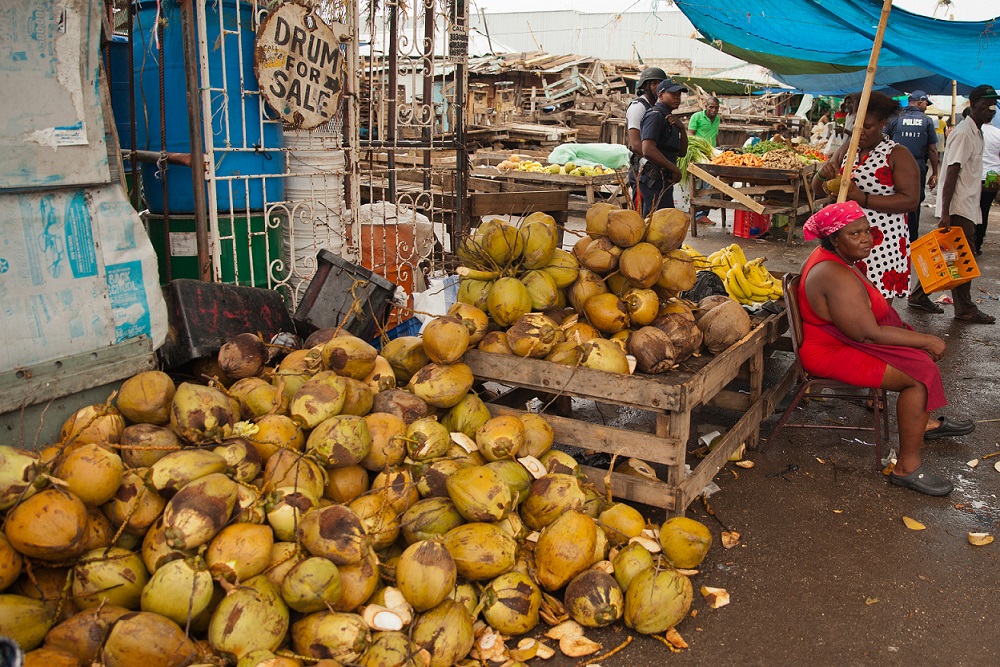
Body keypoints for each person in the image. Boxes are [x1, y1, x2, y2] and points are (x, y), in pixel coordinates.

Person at [798, 201, 975, 496]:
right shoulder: (834, 274)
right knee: (917, 378)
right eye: (855, 234)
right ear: (834, 239)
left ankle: (922, 423)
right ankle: (907, 467)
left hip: (842, 340)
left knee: (917, 360)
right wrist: (927, 340)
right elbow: (868, 334)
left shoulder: (837, 259)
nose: (866, 238)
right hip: (829, 352)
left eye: (867, 230)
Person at [812, 91, 920, 302]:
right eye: (856, 128)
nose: (859, 133)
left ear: (882, 123)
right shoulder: (847, 150)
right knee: (844, 299)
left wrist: (863, 199)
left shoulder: (897, 154)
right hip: (844, 240)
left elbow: (911, 200)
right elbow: (818, 189)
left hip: (881, 242)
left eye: (867, 127)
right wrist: (821, 175)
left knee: (875, 303)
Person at [908, 85, 998, 323]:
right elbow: (952, 172)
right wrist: (946, 212)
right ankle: (965, 308)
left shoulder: (977, 132)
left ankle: (918, 296)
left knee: (954, 257)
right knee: (961, 258)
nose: (990, 111)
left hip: (968, 204)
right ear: (973, 105)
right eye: (985, 107)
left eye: (993, 107)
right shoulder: (964, 133)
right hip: (958, 207)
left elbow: (966, 171)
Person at [885, 90, 940, 243]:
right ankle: (912, 240)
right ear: (920, 102)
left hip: (894, 166)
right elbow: (932, 149)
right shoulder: (927, 121)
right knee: (914, 203)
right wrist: (935, 173)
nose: (926, 107)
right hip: (917, 166)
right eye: (926, 104)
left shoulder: (895, 119)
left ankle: (893, 236)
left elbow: (883, 141)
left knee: (892, 199)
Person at [637, 78, 688, 216]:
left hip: (664, 181)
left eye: (679, 94)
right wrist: (675, 169)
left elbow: (682, 153)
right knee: (656, 225)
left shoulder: (671, 119)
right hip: (654, 181)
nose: (677, 98)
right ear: (660, 95)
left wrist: (682, 129)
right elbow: (647, 150)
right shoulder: (655, 116)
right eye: (673, 94)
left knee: (663, 225)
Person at [626, 67, 667, 203]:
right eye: (654, 83)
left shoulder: (657, 107)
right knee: (643, 216)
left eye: (660, 84)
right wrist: (661, 163)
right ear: (645, 86)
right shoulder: (638, 107)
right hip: (644, 171)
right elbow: (637, 145)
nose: (657, 87)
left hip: (655, 171)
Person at [688, 97, 721, 223]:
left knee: (709, 183)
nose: (713, 110)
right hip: (699, 154)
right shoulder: (696, 117)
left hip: (712, 155)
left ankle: (701, 213)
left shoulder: (717, 119)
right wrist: (700, 146)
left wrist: (719, 150)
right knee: (706, 182)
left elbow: (715, 135)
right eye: (711, 107)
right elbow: (690, 135)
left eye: (716, 107)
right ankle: (700, 214)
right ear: (705, 106)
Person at [976, 116, 1000, 255]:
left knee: (971, 211)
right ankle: (978, 244)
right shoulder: (998, 133)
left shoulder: (975, 131)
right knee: (984, 211)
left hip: (974, 177)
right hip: (991, 178)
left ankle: (970, 242)